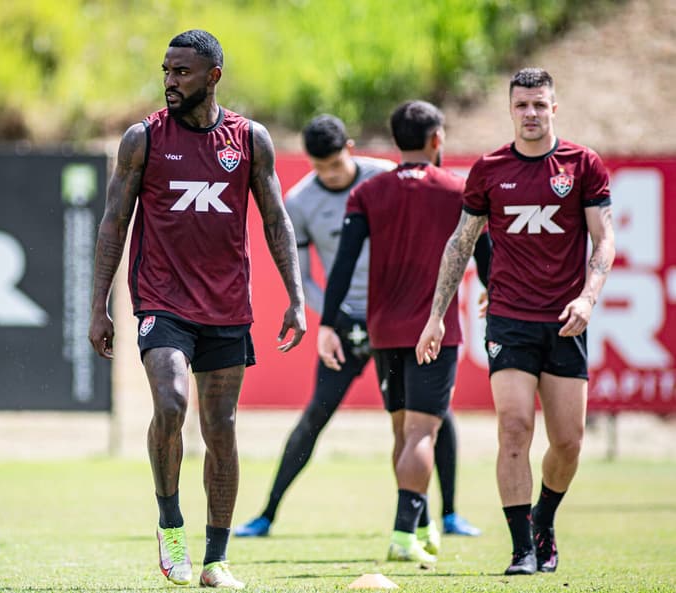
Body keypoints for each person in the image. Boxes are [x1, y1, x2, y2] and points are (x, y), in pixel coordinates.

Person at [88, 29, 306, 590]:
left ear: (213, 76)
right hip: (163, 302)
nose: (169, 82)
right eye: (165, 71)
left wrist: (296, 297)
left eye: (181, 72)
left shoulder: (249, 140)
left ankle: (216, 559)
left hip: (228, 307)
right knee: (171, 402)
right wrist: (99, 306)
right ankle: (170, 527)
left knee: (223, 430)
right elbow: (114, 222)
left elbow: (278, 221)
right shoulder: (144, 139)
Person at [234, 115, 482, 539]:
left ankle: (450, 515)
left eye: (335, 163)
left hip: (398, 319)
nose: (330, 174)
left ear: (350, 147)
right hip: (348, 324)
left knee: (433, 416)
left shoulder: (383, 179)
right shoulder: (300, 202)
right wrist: (331, 316)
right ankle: (267, 514)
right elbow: (302, 273)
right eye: (320, 167)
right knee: (316, 415)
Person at [415, 68, 615, 575]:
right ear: (511, 109)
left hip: (567, 321)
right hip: (508, 319)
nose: (531, 114)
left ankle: (543, 519)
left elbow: (604, 240)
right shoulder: (489, 169)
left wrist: (589, 298)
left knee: (568, 442)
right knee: (514, 429)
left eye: (540, 105)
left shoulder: (582, 164)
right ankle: (522, 548)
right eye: (522, 105)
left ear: (554, 108)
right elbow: (460, 244)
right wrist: (436, 317)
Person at [316, 100, 490, 564]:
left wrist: (328, 322)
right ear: (437, 140)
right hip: (434, 330)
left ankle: (419, 521)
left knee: (402, 431)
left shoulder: (368, 193)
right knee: (421, 434)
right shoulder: (459, 189)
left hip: (384, 330)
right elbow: (484, 253)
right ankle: (401, 534)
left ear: (397, 142)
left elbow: (343, 264)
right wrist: (493, 293)